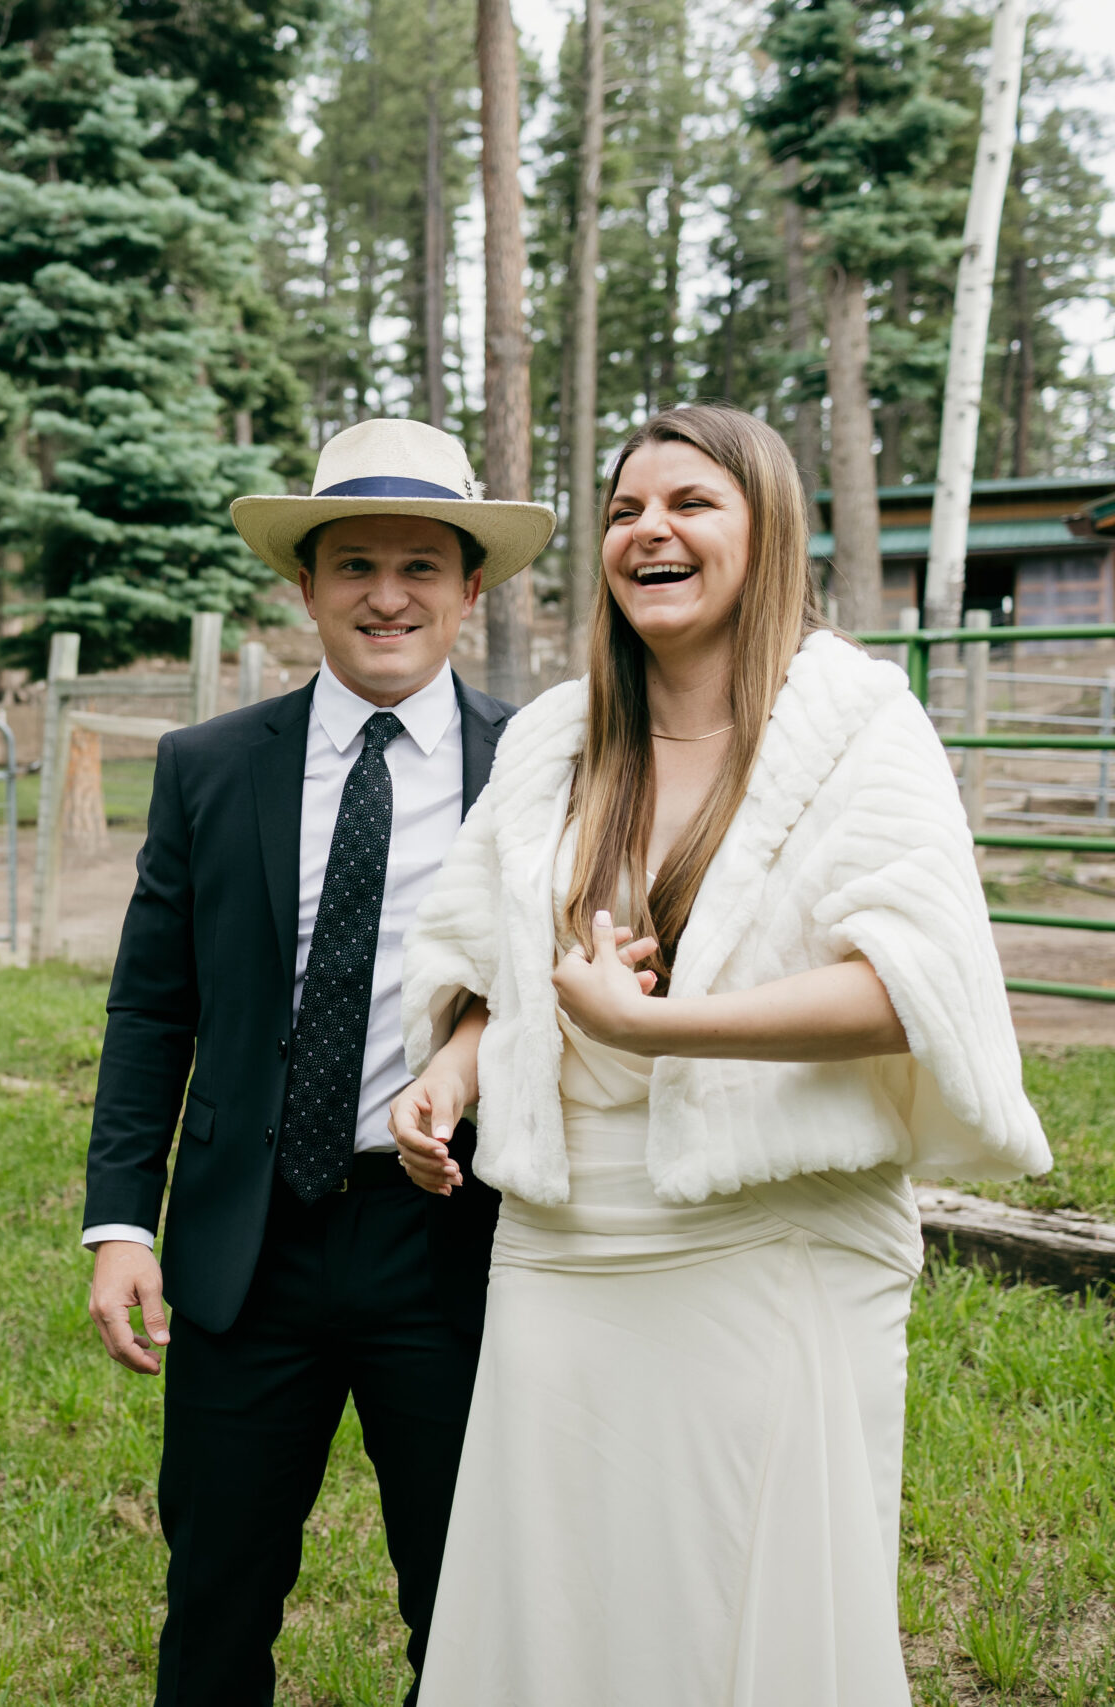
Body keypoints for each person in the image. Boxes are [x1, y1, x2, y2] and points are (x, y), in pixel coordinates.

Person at [391, 404, 1051, 1706]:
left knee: (749, 1605)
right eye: (628, 508)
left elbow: (917, 988)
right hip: (565, 1251)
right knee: (565, 1602)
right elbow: (490, 959)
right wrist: (454, 1068)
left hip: (775, 1242)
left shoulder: (859, 721)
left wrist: (657, 1024)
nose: (652, 529)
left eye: (692, 502)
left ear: (768, 529)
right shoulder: (551, 741)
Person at [82, 417, 558, 1704]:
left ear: (471, 587)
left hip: (454, 1241)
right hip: (250, 1247)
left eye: (420, 565)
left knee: (462, 1600)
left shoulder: (540, 772)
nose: (386, 595)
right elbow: (148, 1011)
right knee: (217, 1592)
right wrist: (122, 1223)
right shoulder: (208, 769)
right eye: (354, 564)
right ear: (304, 586)